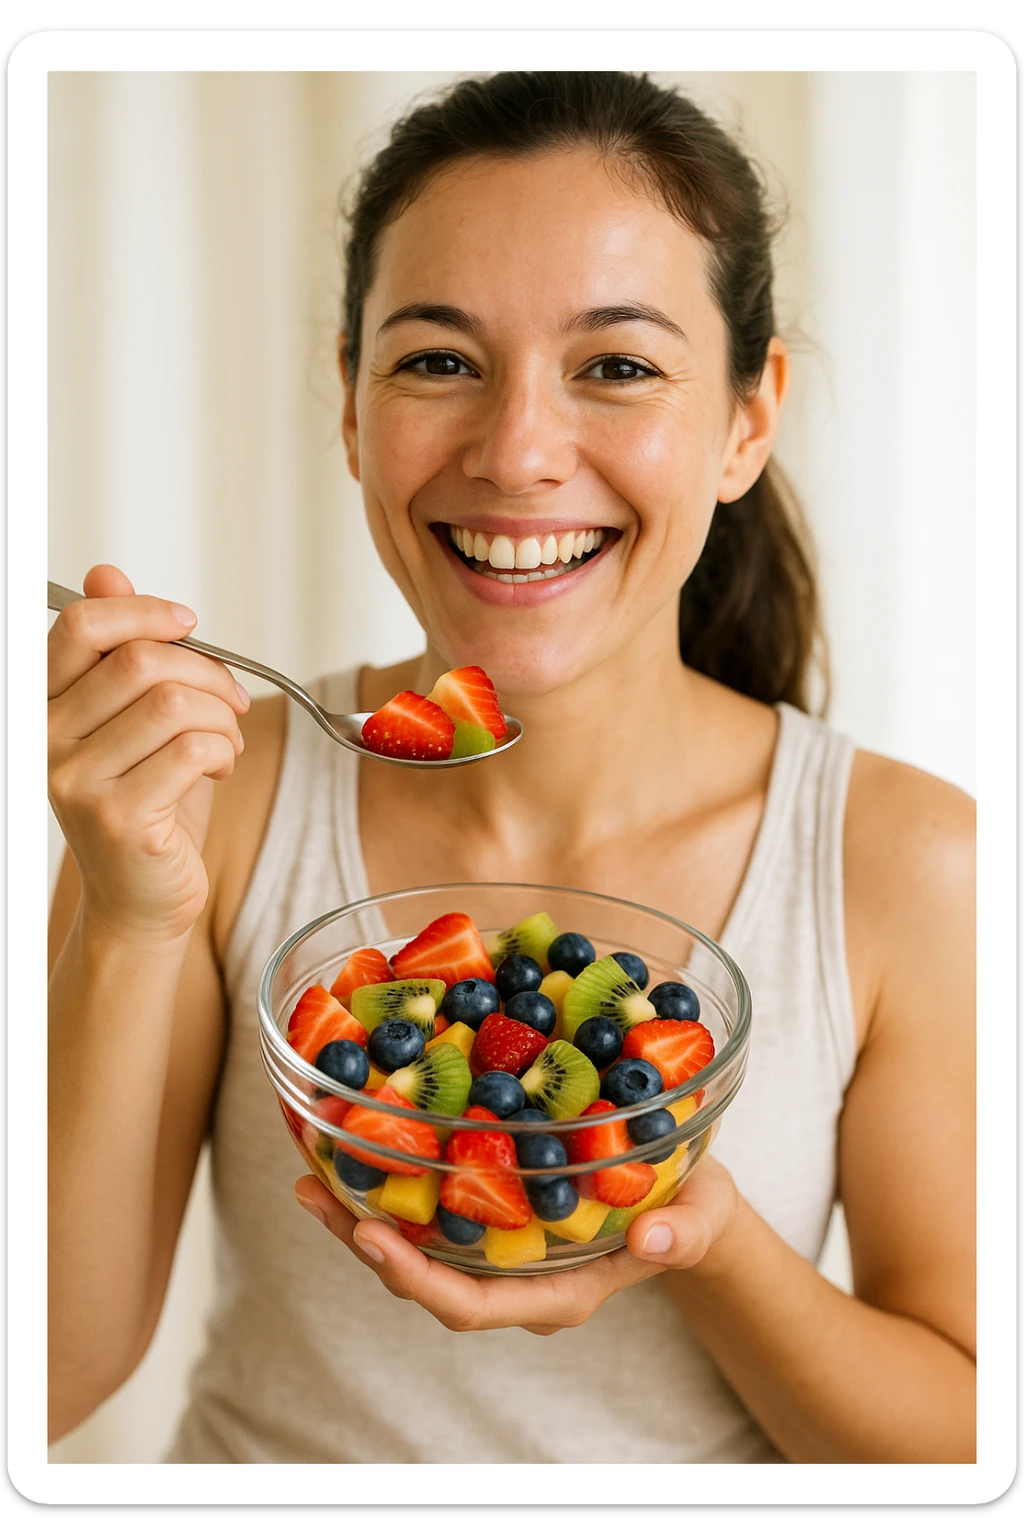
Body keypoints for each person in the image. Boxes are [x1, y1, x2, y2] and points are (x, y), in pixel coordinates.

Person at [47, 71, 976, 1465]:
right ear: (352, 410)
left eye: (615, 366)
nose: (519, 452)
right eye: (438, 360)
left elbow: (972, 1442)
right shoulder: (212, 798)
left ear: (745, 418)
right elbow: (42, 1385)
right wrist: (128, 916)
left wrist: (702, 1241)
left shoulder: (906, 861)